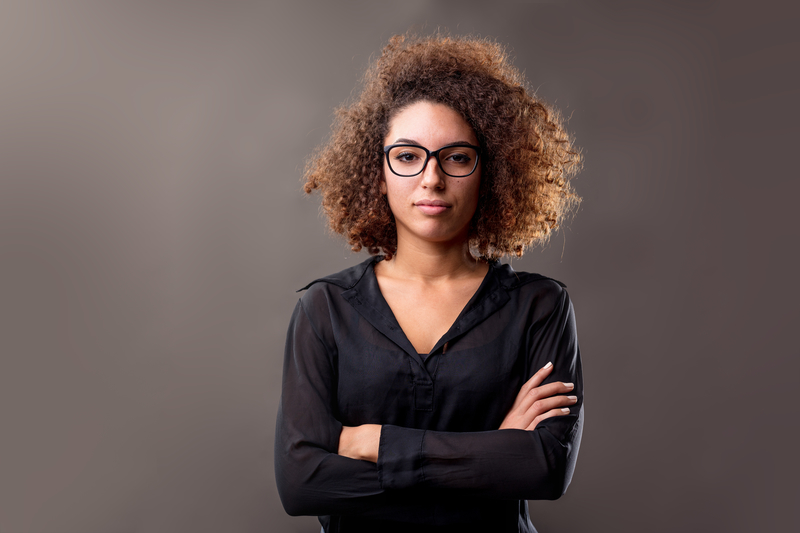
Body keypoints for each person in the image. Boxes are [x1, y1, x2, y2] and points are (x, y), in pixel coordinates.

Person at [275, 33, 583, 533]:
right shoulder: (324, 309)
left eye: (457, 157)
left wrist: (374, 444)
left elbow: (544, 468)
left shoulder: (540, 306)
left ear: (490, 171)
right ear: (378, 171)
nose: (432, 179)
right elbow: (300, 483)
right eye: (407, 156)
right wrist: (491, 454)